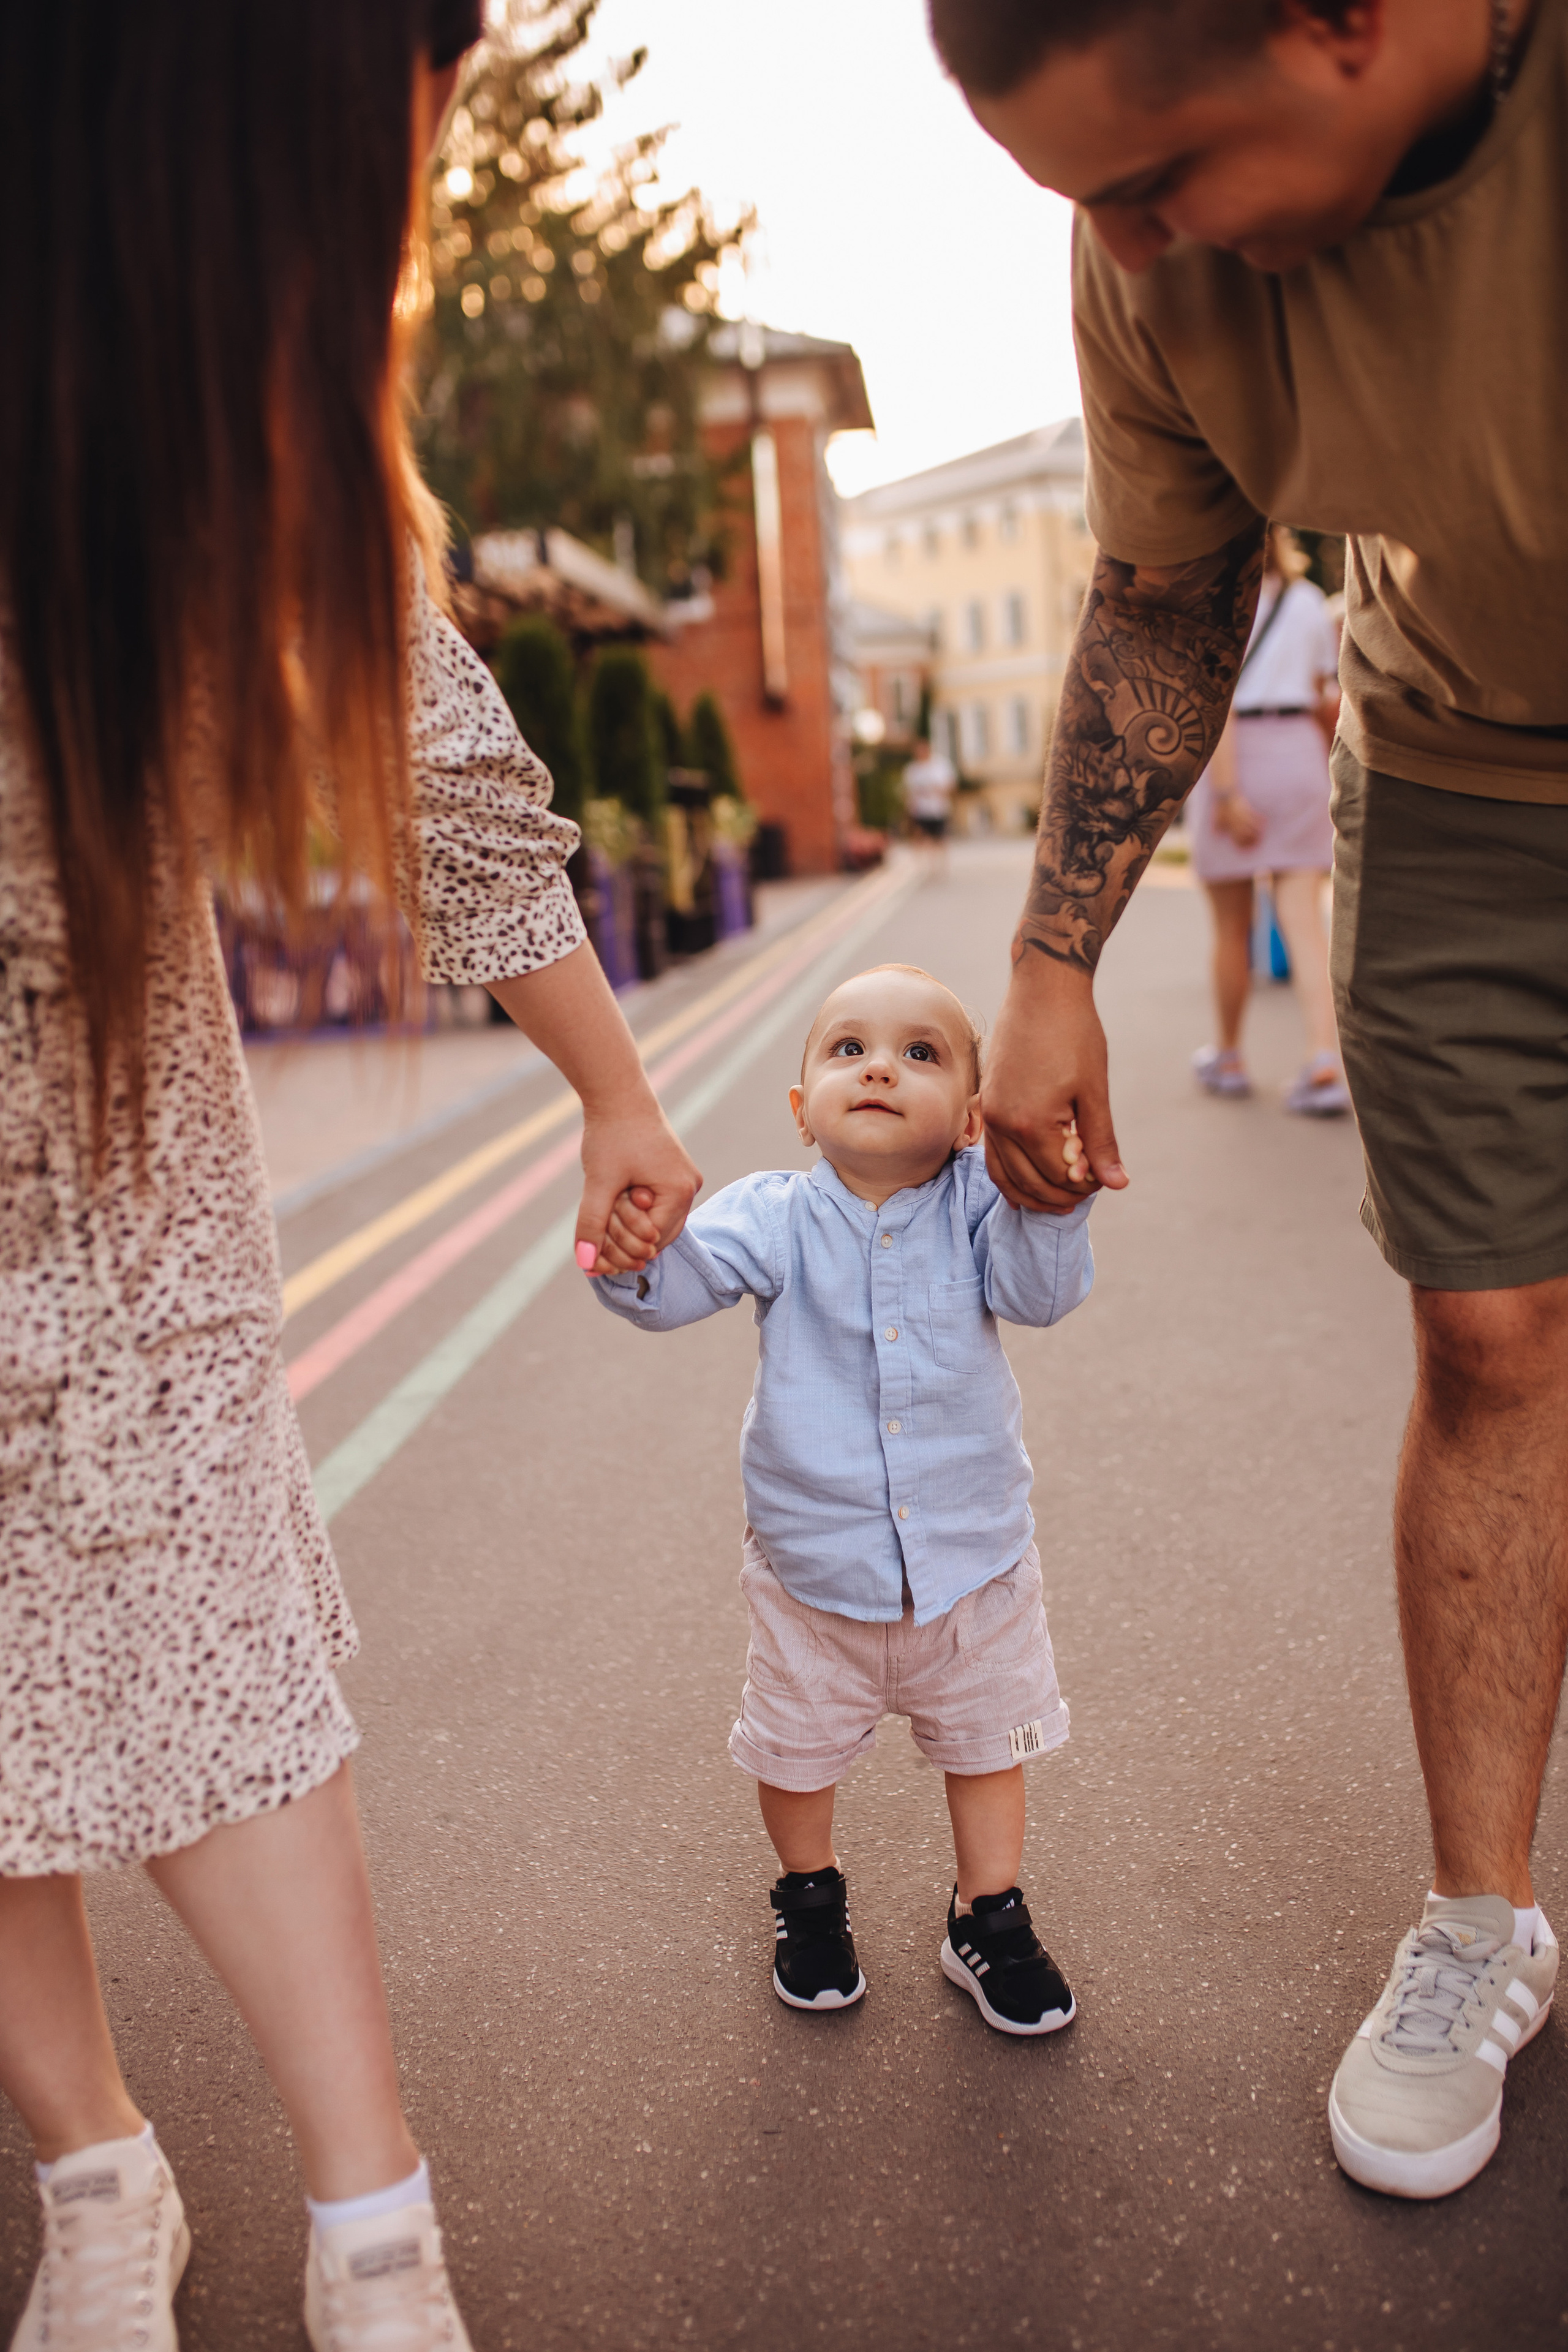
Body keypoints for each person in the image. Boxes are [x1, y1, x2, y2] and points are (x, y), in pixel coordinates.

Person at [0, 6, 699, 2347]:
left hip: (115, 1151)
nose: (402, 188)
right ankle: (99, 2177)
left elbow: (460, 790)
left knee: (216, 1659)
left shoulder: (241, 411)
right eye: (404, 114)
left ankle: (368, 2224)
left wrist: (616, 1089)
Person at [928, 0, 1563, 2199]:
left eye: (1146, 176)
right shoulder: (1141, 262)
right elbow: (1167, 579)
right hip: (1467, 774)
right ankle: (1476, 1925)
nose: (1119, 241)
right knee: (1486, 1336)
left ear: (1339, 25)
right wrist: (1044, 961)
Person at [587, 963, 1090, 2035]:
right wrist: (629, 1250)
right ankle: (809, 1899)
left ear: (969, 1118)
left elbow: (1042, 1296)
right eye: (847, 1048)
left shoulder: (981, 1204)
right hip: (815, 1575)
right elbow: (674, 1290)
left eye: (921, 1053)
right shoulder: (770, 1216)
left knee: (987, 1747)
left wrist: (1054, 1195)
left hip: (972, 1566)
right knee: (795, 1751)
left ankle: (987, 1914)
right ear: (801, 1108)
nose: (878, 1066)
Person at [1188, 522, 1348, 1114]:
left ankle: (1229, 1056)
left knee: (1232, 929)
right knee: (1305, 922)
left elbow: (1217, 697)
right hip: (1300, 757)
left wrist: (1228, 792)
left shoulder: (1216, 601)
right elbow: (1324, 694)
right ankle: (1325, 1060)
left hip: (1236, 755)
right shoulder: (1308, 601)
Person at [902, 736, 959, 848]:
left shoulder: (941, 764)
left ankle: (938, 864)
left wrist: (938, 791)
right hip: (920, 810)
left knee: (940, 839)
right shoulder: (912, 769)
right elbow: (909, 791)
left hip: (938, 809)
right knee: (921, 838)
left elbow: (951, 785)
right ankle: (924, 864)